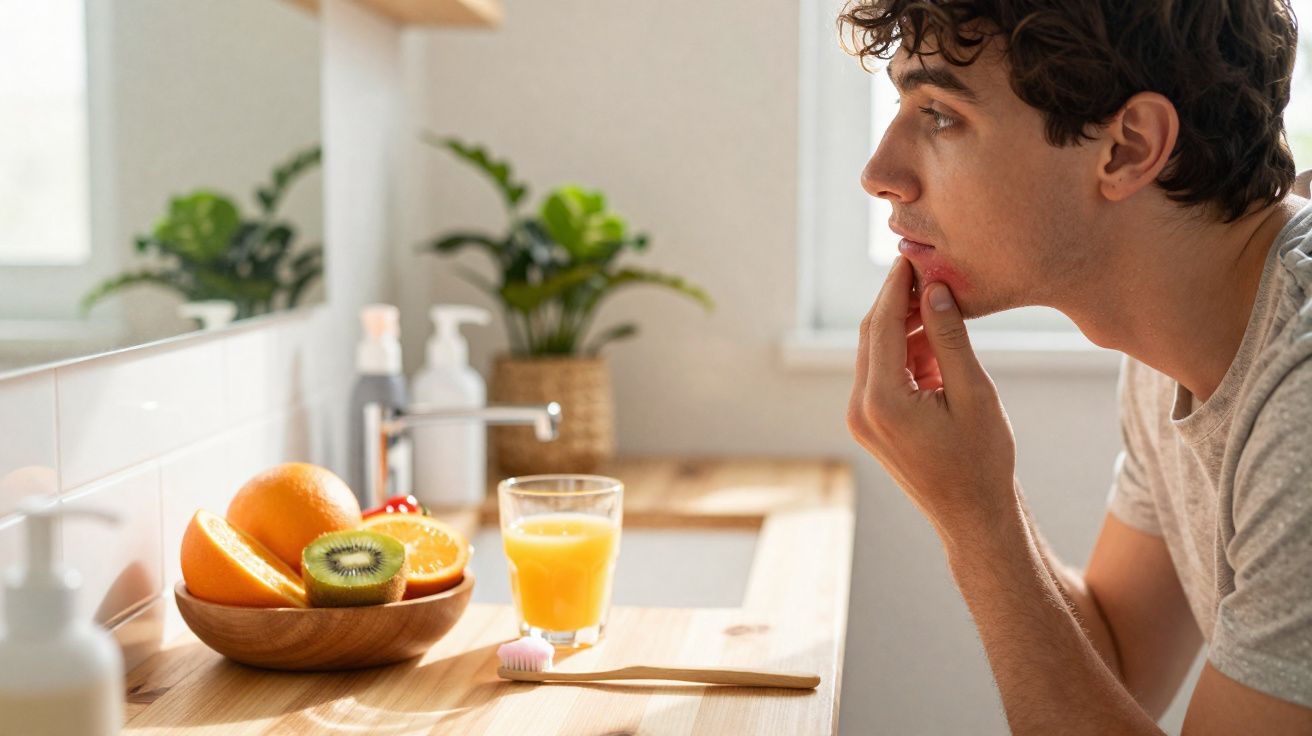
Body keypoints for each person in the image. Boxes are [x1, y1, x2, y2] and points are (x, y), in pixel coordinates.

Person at [841, 1, 1312, 733]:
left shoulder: (1302, 403)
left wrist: (980, 524)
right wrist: (972, 493)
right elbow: (1121, 664)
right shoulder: (1180, 334)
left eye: (940, 115)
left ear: (1127, 148)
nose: (879, 174)